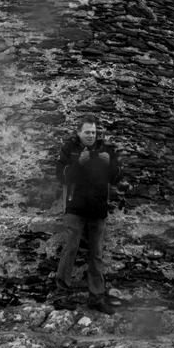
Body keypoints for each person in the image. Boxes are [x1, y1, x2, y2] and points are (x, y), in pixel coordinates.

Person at [53, 115, 122, 315]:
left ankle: (96, 297)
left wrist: (110, 164)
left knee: (97, 255)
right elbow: (61, 176)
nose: (91, 136)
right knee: (70, 250)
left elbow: (117, 178)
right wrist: (78, 164)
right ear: (79, 133)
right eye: (87, 132)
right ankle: (61, 294)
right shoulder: (69, 150)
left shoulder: (106, 150)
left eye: (94, 132)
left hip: (98, 210)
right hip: (75, 209)